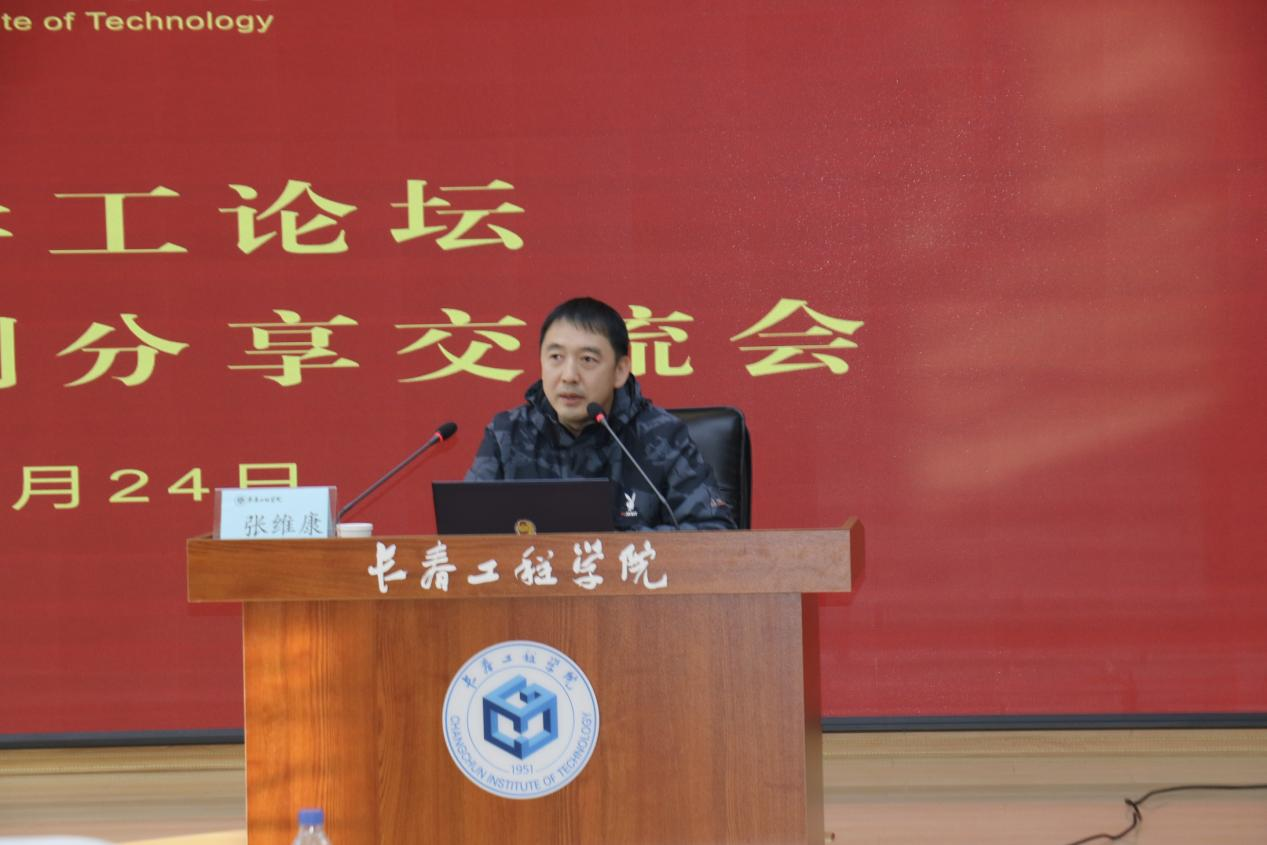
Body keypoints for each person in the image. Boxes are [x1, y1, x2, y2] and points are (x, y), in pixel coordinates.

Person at [465, 297, 736, 530]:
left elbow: (713, 532)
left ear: (620, 370)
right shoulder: (507, 435)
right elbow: (463, 536)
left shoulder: (663, 436)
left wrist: (611, 548)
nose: (569, 376)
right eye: (556, 357)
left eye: (587, 360)